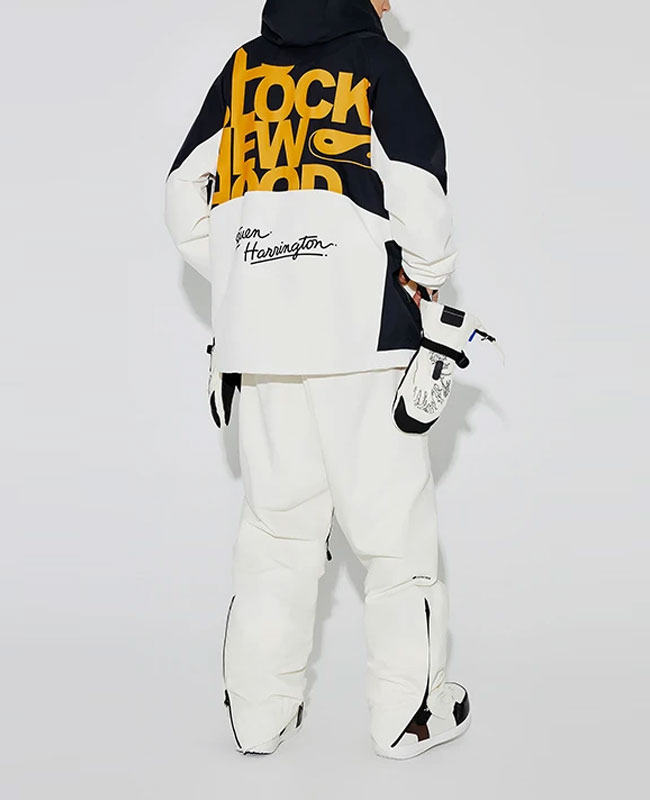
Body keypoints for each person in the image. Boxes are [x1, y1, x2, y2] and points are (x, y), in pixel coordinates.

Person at [164, 0, 471, 759]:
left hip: (262, 345)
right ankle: (409, 716)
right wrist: (426, 278)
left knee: (277, 532)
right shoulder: (377, 64)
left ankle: (258, 716)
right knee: (393, 537)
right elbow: (419, 192)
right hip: (363, 338)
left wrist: (253, 278)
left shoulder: (242, 69)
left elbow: (182, 200)